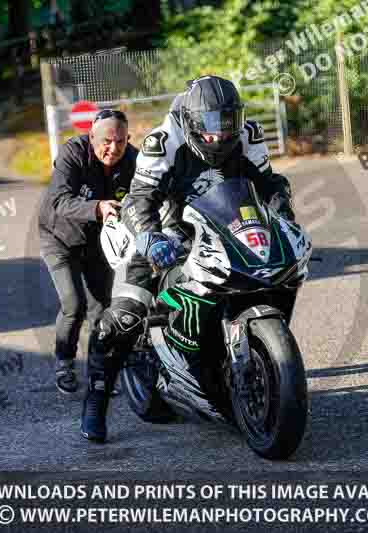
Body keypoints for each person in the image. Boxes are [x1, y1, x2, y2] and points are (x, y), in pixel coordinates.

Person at [80, 75, 296, 443]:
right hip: (166, 230)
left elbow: (267, 183)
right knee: (122, 319)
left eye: (228, 124)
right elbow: (139, 198)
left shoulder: (248, 133)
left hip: (226, 224)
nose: (220, 135)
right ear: (193, 122)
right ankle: (96, 400)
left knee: (280, 270)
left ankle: (245, 359)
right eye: (211, 127)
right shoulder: (164, 140)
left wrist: (284, 213)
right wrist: (149, 238)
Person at [39, 109, 137, 395]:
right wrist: (98, 207)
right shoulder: (73, 153)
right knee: (74, 304)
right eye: (107, 141)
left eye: (120, 141)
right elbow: (59, 200)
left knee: (102, 308)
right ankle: (64, 363)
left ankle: (99, 372)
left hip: (97, 241)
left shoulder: (132, 159)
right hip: (58, 238)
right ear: (92, 136)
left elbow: (150, 192)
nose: (113, 148)